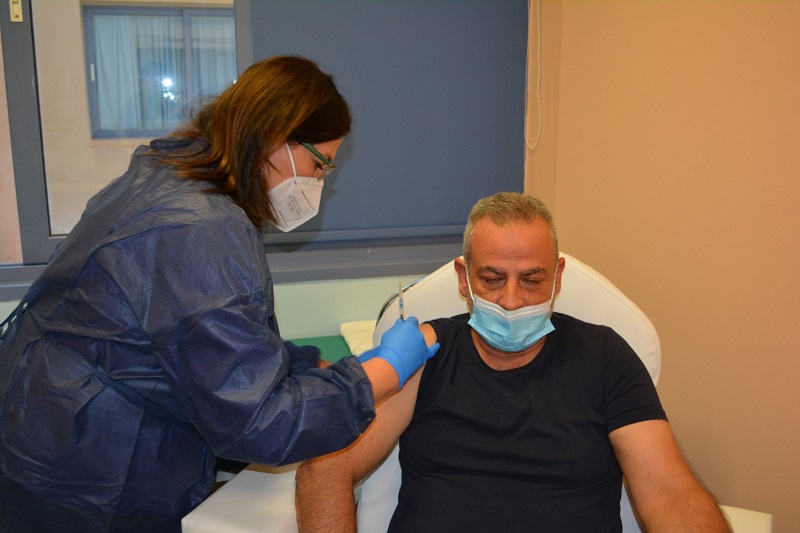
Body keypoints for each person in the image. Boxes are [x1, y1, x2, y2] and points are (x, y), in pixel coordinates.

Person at [0, 55, 438, 532]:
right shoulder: (200, 229)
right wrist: (382, 372)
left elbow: (199, 336)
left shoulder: (167, 174)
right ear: (276, 136)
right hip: (87, 463)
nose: (317, 182)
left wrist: (306, 364)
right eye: (319, 164)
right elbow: (258, 423)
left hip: (49, 414)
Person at [295, 192, 731, 532]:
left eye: (532, 280)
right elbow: (327, 469)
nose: (511, 300)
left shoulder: (605, 358)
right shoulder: (426, 353)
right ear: (463, 279)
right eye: (492, 279)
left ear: (557, 278)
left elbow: (670, 492)